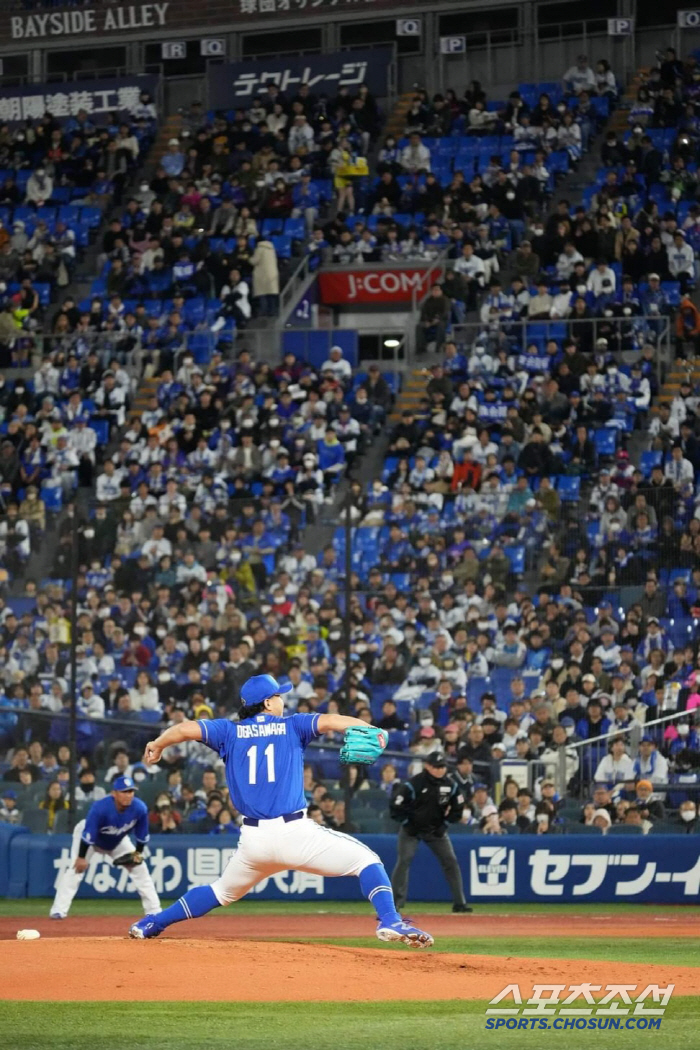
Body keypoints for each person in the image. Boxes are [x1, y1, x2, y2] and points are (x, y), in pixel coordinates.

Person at [128, 674, 433, 947]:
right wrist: (372, 729)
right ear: (268, 702)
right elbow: (331, 720)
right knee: (367, 861)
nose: (283, 700)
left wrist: (158, 744)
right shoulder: (293, 725)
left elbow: (183, 729)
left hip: (254, 842)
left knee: (222, 892)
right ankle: (390, 920)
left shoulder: (228, 731)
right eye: (278, 695)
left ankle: (153, 923)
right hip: (295, 833)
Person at [49, 775, 161, 920]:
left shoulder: (139, 808)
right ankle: (58, 910)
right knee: (75, 869)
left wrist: (137, 854)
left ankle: (154, 911)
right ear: (114, 793)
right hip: (89, 838)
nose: (128, 795)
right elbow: (88, 835)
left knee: (141, 869)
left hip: (117, 840)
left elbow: (142, 836)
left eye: (131, 791)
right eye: (124, 791)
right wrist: (82, 857)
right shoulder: (100, 808)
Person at [389, 750, 472, 914]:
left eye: (442, 766)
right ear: (427, 766)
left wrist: (445, 824)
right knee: (404, 860)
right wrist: (407, 822)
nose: (440, 770)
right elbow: (396, 805)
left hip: (435, 830)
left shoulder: (450, 785)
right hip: (411, 830)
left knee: (451, 861)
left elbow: (458, 807)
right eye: (436, 766)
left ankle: (459, 903)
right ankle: (394, 904)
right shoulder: (414, 784)